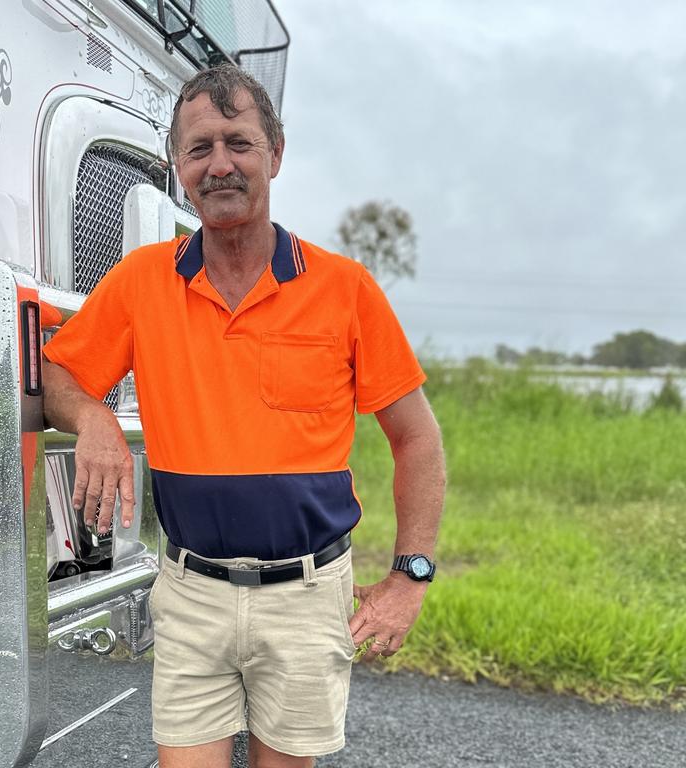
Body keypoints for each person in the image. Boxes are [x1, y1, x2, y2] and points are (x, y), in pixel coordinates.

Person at [42, 64, 445, 768]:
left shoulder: (344, 290)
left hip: (307, 596)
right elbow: (59, 372)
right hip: (192, 594)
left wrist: (410, 574)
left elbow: (416, 439)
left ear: (275, 156)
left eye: (239, 143)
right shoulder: (142, 281)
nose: (220, 164)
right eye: (200, 149)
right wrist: (95, 421)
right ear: (178, 168)